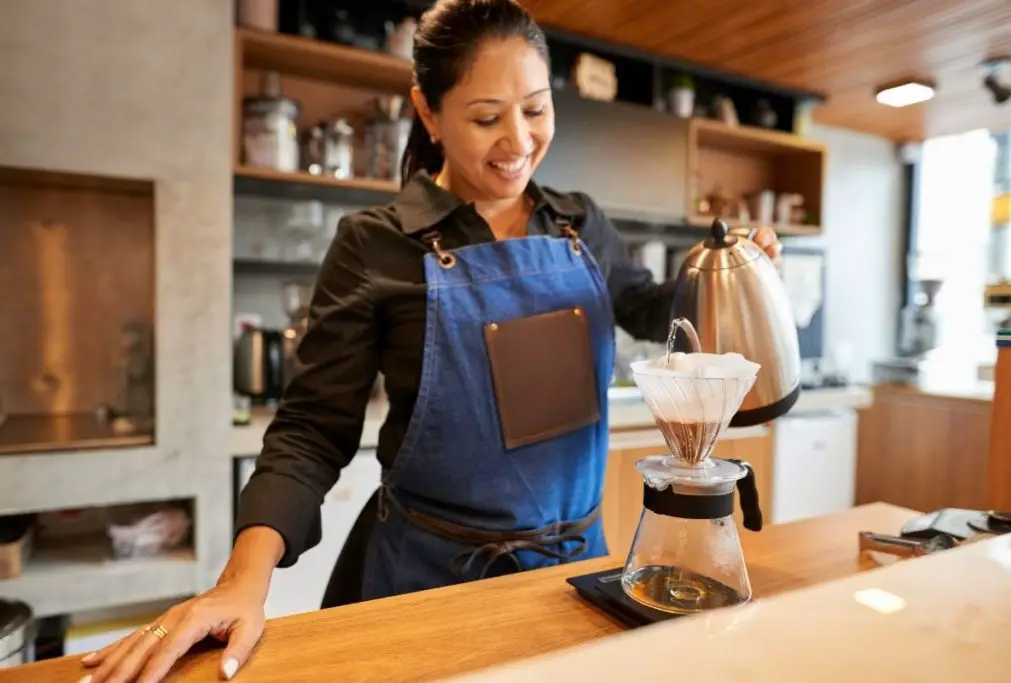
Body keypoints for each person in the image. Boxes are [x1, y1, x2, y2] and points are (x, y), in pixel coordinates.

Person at [79, 1, 782, 681]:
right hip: (425, 583)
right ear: (429, 113)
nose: (518, 141)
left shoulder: (581, 225)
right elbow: (309, 431)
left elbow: (655, 309)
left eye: (536, 109)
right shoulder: (375, 244)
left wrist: (737, 276)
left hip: (572, 575)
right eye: (486, 117)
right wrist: (240, 582)